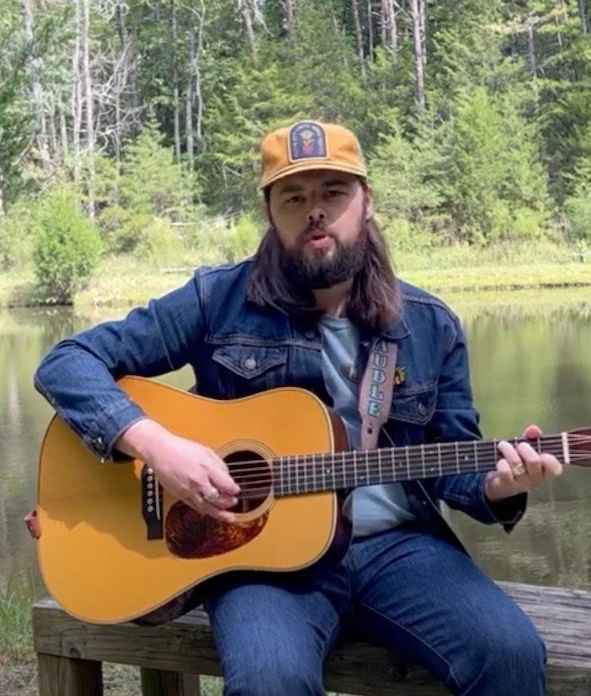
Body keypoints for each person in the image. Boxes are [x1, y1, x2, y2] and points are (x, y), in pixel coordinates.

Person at [33, 119, 564, 695]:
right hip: (262, 561)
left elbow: (456, 459)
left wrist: (499, 486)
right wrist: (158, 447)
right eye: (294, 196)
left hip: (400, 550)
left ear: (366, 201)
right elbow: (67, 362)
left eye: (333, 192)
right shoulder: (217, 300)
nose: (316, 211)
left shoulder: (428, 324)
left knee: (509, 655)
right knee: (270, 682)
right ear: (269, 211)